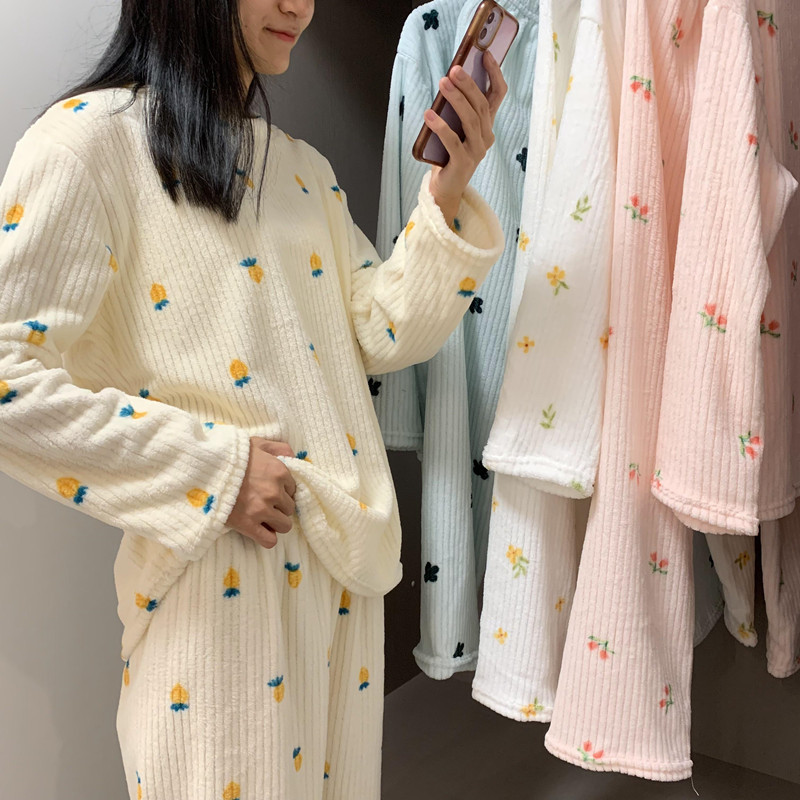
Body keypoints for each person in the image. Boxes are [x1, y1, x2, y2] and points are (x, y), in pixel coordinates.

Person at [0, 0, 506, 797]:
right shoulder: (86, 144)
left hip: (342, 571)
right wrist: (214, 472)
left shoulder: (301, 169)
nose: (299, 6)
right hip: (220, 581)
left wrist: (445, 193)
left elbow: (378, 330)